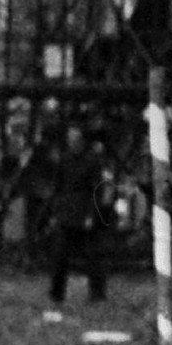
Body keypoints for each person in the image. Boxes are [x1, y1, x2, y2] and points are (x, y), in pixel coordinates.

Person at [44, 122, 110, 306]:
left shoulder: (92, 161)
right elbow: (57, 188)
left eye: (75, 139)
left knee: (92, 256)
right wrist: (55, 213)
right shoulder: (64, 160)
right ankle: (56, 294)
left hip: (85, 212)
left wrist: (92, 214)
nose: (72, 142)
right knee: (59, 256)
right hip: (66, 213)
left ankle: (97, 293)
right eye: (70, 139)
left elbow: (96, 190)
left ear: (81, 141)